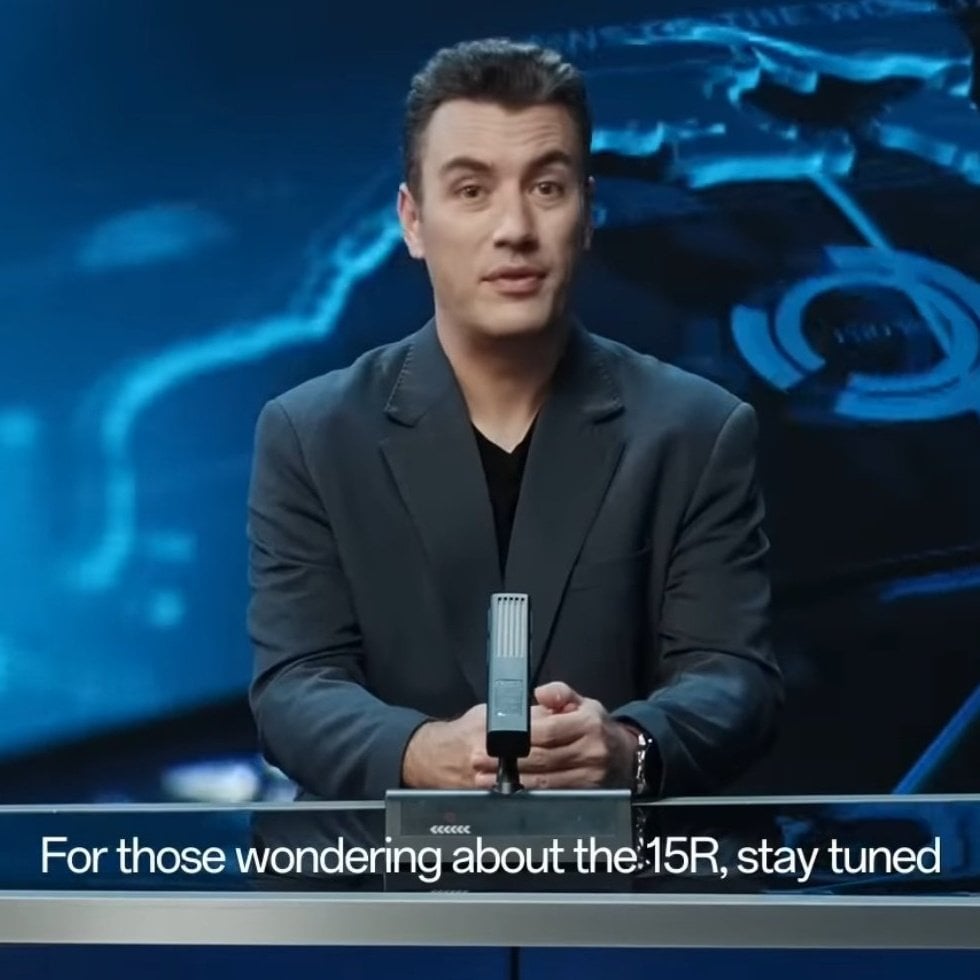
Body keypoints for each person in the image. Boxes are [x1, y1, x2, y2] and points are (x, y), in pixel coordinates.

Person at [247, 38, 782, 804]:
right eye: (471, 191)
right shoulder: (310, 434)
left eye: (547, 188)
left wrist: (625, 748)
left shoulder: (698, 429)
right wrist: (421, 752)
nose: (515, 229)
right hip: (388, 869)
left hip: (621, 867)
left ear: (587, 214)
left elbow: (734, 678)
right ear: (413, 221)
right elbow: (294, 685)